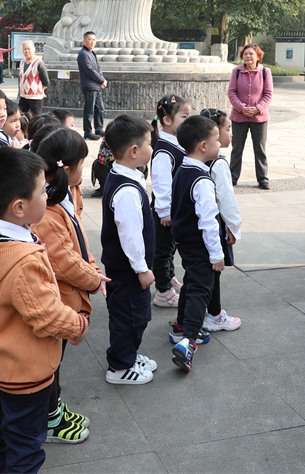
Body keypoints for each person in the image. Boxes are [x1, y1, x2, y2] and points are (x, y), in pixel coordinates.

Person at [0, 147, 89, 473]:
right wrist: (77, 325)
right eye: (42, 190)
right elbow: (46, 314)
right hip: (24, 375)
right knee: (25, 446)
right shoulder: (21, 261)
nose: (47, 194)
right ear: (20, 206)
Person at [31, 126, 108, 440]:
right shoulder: (46, 210)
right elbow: (62, 259)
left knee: (55, 359)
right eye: (82, 163)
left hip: (66, 295)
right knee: (50, 361)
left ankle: (54, 409)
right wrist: (92, 278)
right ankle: (49, 420)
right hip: (57, 300)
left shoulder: (60, 197)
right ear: (68, 165)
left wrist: (90, 265)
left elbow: (77, 243)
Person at [100, 115, 157, 385]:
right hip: (128, 271)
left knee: (131, 315)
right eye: (149, 143)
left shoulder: (124, 174)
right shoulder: (126, 191)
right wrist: (142, 269)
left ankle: (128, 354)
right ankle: (120, 367)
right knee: (131, 317)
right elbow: (130, 235)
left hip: (125, 270)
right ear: (134, 151)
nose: (152, 148)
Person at [170, 115, 225, 372]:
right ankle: (188, 340)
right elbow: (209, 221)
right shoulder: (202, 180)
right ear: (203, 145)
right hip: (200, 243)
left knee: (192, 279)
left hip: (184, 239)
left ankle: (181, 325)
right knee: (201, 288)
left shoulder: (183, 169)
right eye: (216, 140)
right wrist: (216, 254)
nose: (220, 145)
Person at [200, 109, 242, 332]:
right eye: (227, 129)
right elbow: (226, 199)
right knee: (215, 269)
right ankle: (214, 314)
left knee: (203, 270)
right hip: (216, 226)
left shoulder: (197, 160)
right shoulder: (219, 164)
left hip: (199, 226)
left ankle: (208, 310)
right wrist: (233, 227)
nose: (230, 134)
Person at [150, 93, 191, 307]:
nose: (188, 121)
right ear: (167, 120)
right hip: (164, 212)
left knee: (170, 248)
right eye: (184, 116)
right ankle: (163, 291)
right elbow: (161, 184)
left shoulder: (176, 143)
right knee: (163, 250)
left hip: (174, 210)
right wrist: (164, 211)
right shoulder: (164, 150)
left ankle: (169, 276)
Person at [227, 43, 273, 190]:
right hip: (239, 117)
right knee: (236, 149)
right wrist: (241, 107)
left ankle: (263, 179)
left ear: (258, 56)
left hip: (259, 118)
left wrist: (257, 109)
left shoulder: (265, 72)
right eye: (245, 53)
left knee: (260, 149)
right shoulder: (237, 71)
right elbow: (231, 92)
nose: (248, 56)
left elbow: (268, 94)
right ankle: (232, 177)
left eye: (251, 53)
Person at [77, 31, 107, 141]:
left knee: (100, 109)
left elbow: (98, 69)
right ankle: (88, 132)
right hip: (89, 86)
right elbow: (90, 70)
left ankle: (99, 129)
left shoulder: (91, 53)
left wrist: (102, 80)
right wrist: (101, 80)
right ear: (84, 41)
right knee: (89, 110)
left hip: (96, 85)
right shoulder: (83, 54)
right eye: (90, 39)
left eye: (94, 40)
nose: (92, 42)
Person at [18, 40, 49, 116]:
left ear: (34, 49)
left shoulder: (39, 63)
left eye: (29, 49)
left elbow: (46, 82)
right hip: (23, 95)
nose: (26, 51)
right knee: (19, 115)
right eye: (24, 49)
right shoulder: (22, 62)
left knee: (36, 118)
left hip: (35, 97)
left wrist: (39, 90)